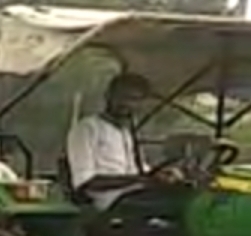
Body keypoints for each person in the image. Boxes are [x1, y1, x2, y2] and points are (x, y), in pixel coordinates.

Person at [66, 72, 179, 211]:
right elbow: (86, 182)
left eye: (135, 100)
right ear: (108, 96)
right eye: (122, 97)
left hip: (135, 194)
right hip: (109, 201)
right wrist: (140, 180)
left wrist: (163, 174)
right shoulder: (87, 128)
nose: (127, 104)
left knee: (183, 198)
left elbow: (140, 170)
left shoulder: (126, 133)